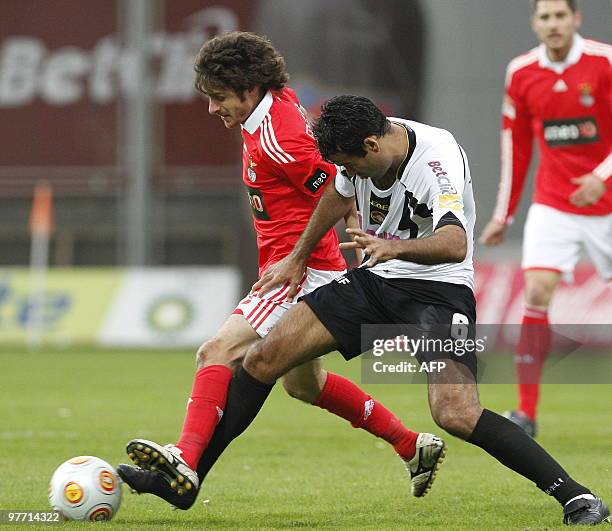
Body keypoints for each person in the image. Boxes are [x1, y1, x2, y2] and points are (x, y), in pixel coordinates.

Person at [135, 95, 608, 525]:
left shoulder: (434, 161)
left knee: (455, 413)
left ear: (371, 144)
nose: (352, 175)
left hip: (437, 291)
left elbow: (455, 243)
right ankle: (187, 479)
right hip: (374, 281)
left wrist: (394, 246)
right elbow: (337, 195)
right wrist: (298, 257)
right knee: (261, 359)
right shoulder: (356, 149)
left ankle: (575, 496)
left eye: (353, 165)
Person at [117, 32, 445, 510]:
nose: (212, 109)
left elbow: (339, 181)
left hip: (298, 272)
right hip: (306, 267)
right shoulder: (271, 111)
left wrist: (334, 243)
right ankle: (410, 445)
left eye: (218, 97)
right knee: (303, 384)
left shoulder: (280, 134)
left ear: (249, 89)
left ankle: (184, 460)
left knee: (218, 349)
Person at [479, 0, 611, 437]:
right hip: (555, 203)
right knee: (537, 290)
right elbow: (515, 146)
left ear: (576, 18)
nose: (553, 24)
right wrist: (504, 214)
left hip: (607, 201)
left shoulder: (603, 61)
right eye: (545, 16)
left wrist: (600, 175)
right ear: (535, 23)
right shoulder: (521, 72)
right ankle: (526, 412)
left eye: (561, 15)